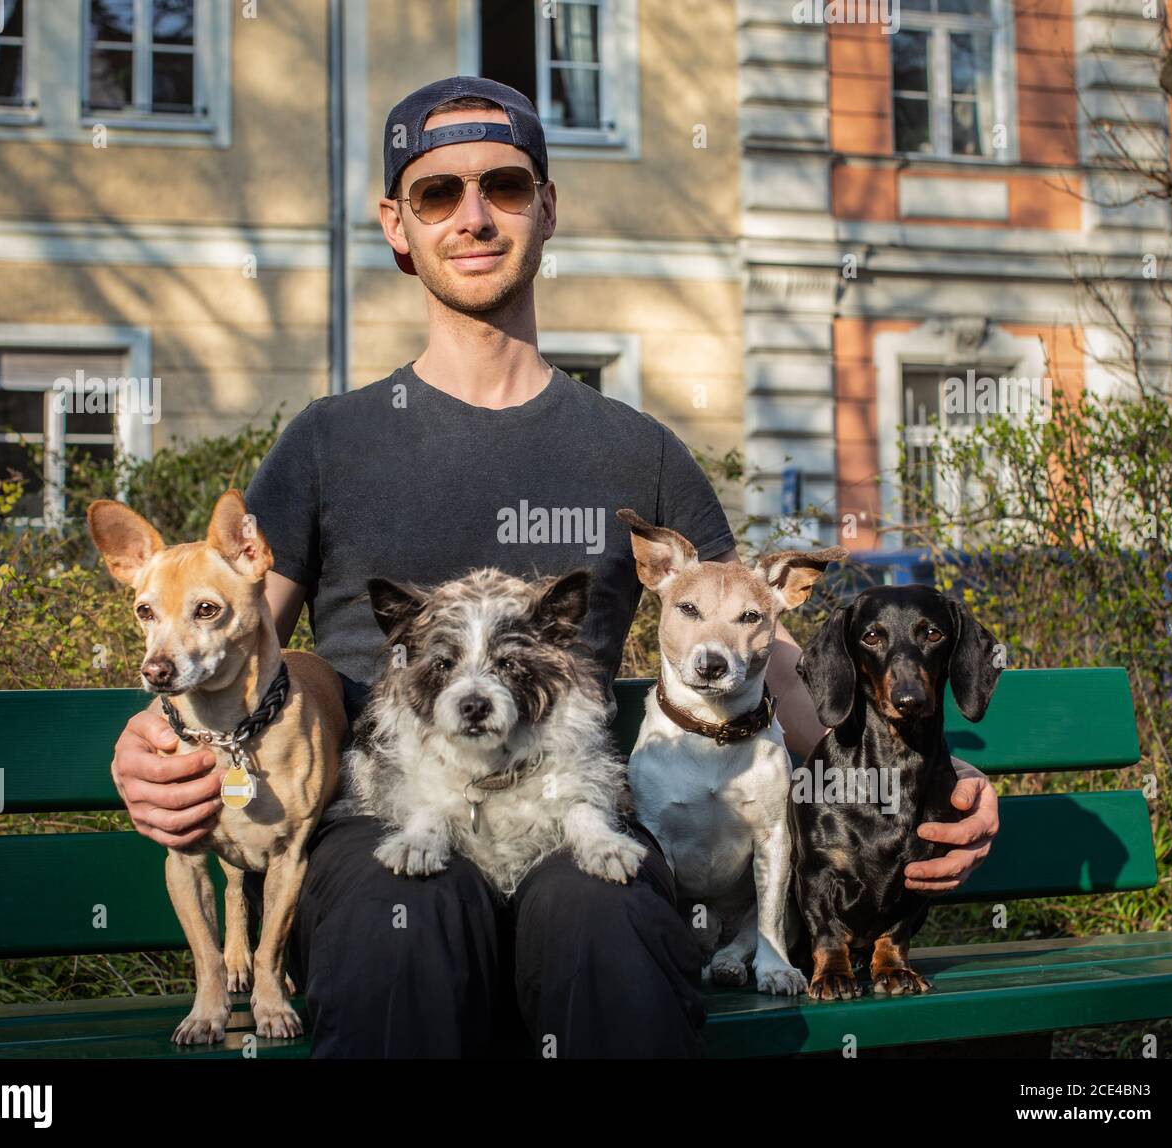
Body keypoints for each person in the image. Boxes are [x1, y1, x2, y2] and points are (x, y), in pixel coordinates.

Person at [108, 76, 1000, 1058]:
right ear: (396, 224)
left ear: (547, 208)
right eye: (438, 192)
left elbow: (780, 678)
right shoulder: (329, 441)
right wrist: (149, 743)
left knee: (605, 921)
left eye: (505, 183)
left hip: (573, 813)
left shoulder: (639, 453)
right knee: (400, 913)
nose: (474, 213)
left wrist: (922, 783)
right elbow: (227, 634)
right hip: (391, 811)